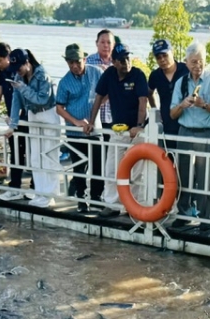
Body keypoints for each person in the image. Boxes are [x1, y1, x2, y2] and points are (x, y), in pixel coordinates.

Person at [169, 42, 210, 230]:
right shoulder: (181, 82)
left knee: (205, 177)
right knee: (182, 175)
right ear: (186, 62)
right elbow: (172, 114)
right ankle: (184, 213)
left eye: (200, 61)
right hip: (185, 131)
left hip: (206, 132)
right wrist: (182, 105)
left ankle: (205, 217)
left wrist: (204, 105)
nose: (197, 65)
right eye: (193, 62)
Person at [88, 42, 150, 214]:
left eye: (128, 58)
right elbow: (98, 98)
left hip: (137, 130)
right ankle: (112, 204)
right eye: (122, 60)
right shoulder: (109, 74)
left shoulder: (138, 75)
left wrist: (138, 126)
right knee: (111, 169)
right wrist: (91, 122)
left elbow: (143, 101)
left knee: (136, 172)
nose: (126, 63)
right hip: (118, 130)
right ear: (114, 62)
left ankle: (133, 206)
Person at [2, 49, 62, 208]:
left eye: (19, 68)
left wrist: (23, 88)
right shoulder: (18, 77)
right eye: (15, 69)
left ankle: (50, 194)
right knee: (36, 156)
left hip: (48, 113)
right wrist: (13, 125)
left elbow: (42, 99)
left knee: (49, 155)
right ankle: (40, 192)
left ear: (27, 63)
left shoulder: (42, 75)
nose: (18, 72)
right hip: (32, 114)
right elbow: (16, 100)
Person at [56, 43, 103, 213]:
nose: (75, 66)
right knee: (79, 167)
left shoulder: (96, 72)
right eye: (71, 62)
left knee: (98, 166)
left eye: (77, 61)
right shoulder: (64, 82)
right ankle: (81, 199)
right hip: (74, 132)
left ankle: (96, 198)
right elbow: (59, 108)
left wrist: (95, 113)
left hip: (95, 128)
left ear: (84, 59)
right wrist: (75, 122)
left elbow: (105, 93)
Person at [0, 43, 27, 198]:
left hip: (25, 118)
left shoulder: (18, 70)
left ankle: (34, 188)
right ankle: (15, 186)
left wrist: (18, 117)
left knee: (30, 153)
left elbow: (22, 96)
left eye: (0, 60)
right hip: (12, 118)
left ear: (8, 57)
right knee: (15, 153)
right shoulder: (2, 72)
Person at [86, 29, 116, 128]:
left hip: (112, 114)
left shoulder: (118, 63)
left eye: (109, 42)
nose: (106, 45)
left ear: (114, 44)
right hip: (92, 114)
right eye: (102, 42)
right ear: (96, 43)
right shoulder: (88, 62)